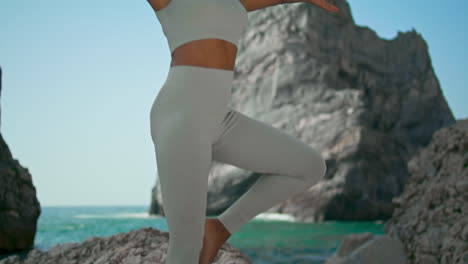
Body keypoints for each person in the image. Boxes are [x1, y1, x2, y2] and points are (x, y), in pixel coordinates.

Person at [146, 0, 339, 263]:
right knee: (186, 247)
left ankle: (219, 228)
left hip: (220, 119)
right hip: (181, 117)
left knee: (310, 166)